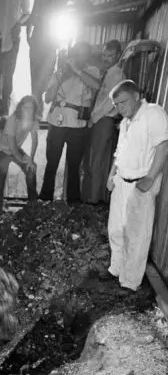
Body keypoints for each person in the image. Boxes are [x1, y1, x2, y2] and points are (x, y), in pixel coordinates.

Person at [106, 80, 168, 293]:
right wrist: (112, 174)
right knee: (115, 229)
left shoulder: (153, 114)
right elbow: (119, 151)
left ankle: (130, 282)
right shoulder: (125, 122)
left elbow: (163, 146)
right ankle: (116, 268)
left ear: (136, 96)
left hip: (140, 183)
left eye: (123, 102)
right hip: (121, 181)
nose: (120, 108)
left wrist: (150, 178)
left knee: (136, 235)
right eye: (116, 105)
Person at [40, 41, 100, 203]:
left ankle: (74, 203)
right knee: (52, 163)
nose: (80, 57)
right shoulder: (60, 72)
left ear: (88, 56)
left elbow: (96, 85)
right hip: (57, 122)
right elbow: (47, 98)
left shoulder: (92, 71)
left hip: (78, 125)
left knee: (74, 166)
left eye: (84, 54)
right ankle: (45, 200)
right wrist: (61, 76)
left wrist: (76, 70)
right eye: (77, 53)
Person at [27, 0, 88, 116]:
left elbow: (82, 3)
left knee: (49, 77)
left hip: (50, 43)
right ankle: (37, 114)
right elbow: (32, 16)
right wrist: (28, 35)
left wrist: (71, 11)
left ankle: (49, 111)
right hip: (38, 41)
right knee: (36, 79)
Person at [82, 40, 125, 204]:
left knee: (97, 161)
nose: (106, 58)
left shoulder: (116, 74)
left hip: (103, 119)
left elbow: (109, 101)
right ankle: (92, 197)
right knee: (95, 160)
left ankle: (93, 200)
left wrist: (93, 118)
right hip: (101, 119)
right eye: (104, 55)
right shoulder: (108, 72)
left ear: (118, 55)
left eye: (110, 55)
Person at [0, 0, 30, 114]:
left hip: (13, 40)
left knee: (8, 77)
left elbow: (27, 13)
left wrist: (18, 24)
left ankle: (5, 111)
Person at [0, 95, 39, 212]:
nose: (28, 110)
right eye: (25, 107)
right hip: (2, 150)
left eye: (31, 108)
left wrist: (30, 160)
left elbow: (35, 141)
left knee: (31, 169)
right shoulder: (13, 119)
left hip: (15, 149)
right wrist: (22, 159)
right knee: (0, 181)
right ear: (20, 108)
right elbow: (11, 145)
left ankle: (33, 205)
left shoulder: (33, 121)